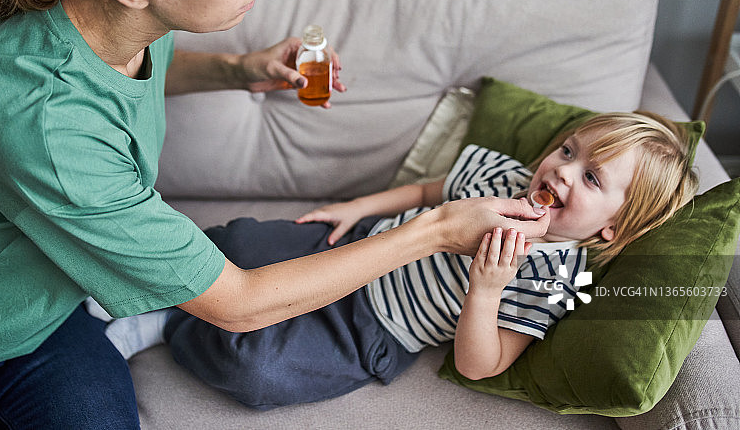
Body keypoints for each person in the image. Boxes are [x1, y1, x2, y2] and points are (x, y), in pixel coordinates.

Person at [0, 0, 549, 428]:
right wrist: (438, 230)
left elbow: (129, 76)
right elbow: (237, 303)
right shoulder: (43, 122)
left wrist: (242, 70)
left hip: (51, 315)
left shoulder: (123, 24)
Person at [103, 111, 698, 410]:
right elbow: (424, 194)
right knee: (238, 243)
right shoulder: (503, 177)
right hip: (355, 246)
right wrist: (355, 206)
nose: (561, 170)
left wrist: (487, 289)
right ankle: (140, 282)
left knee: (258, 373)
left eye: (590, 176)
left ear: (612, 227)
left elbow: (480, 365)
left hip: (369, 333)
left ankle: (167, 323)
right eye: (568, 150)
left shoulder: (553, 279)